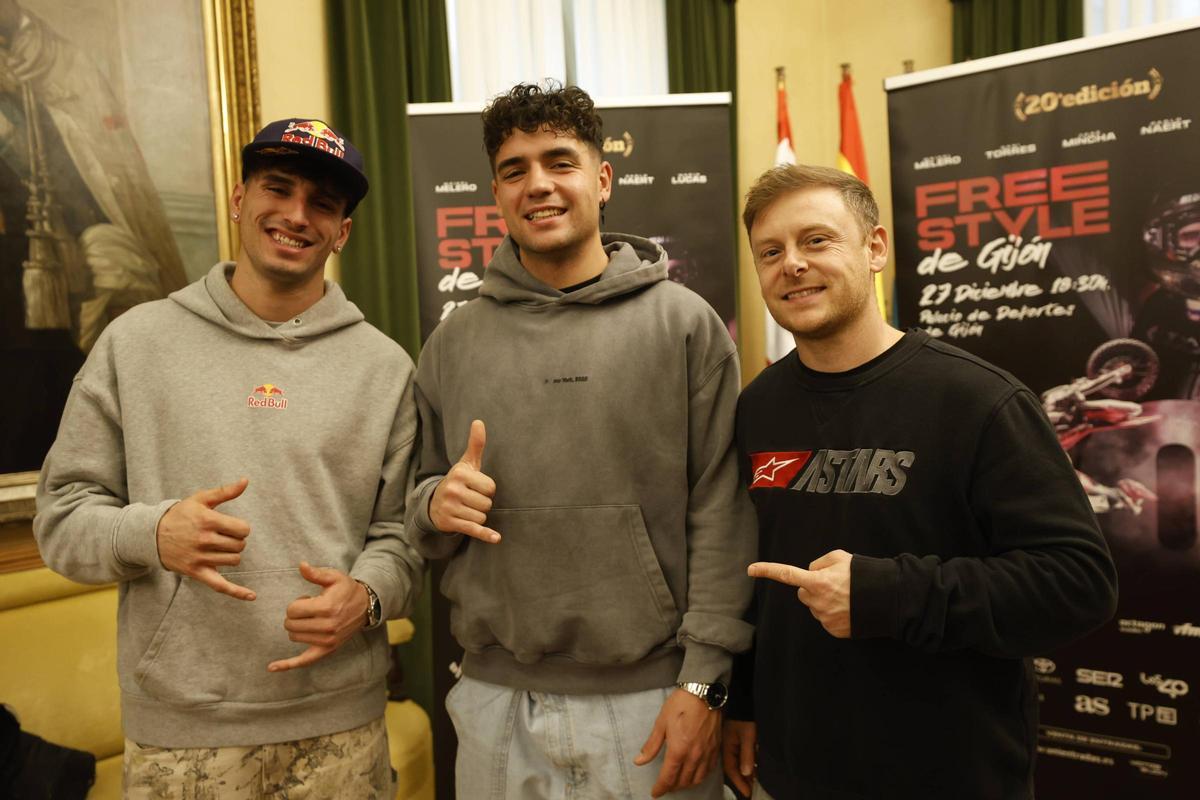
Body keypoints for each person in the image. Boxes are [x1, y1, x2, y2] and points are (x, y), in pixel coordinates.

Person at [34, 118, 423, 798]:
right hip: (181, 737)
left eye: (323, 203)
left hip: (342, 733)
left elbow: (403, 536)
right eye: (279, 188)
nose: (297, 214)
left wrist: (367, 599)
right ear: (239, 199)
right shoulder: (135, 344)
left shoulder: (385, 367)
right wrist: (153, 534)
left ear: (343, 231)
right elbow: (60, 523)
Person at [722, 164, 1118, 800]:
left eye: (817, 240)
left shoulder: (977, 400)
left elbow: (1078, 583)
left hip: (948, 774)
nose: (791, 264)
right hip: (795, 773)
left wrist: (889, 594)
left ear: (875, 248)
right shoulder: (758, 406)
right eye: (771, 251)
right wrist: (742, 699)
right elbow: (752, 573)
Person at [405, 82, 755, 799]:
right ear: (497, 195)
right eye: (514, 169)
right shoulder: (451, 343)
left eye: (558, 161)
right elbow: (414, 504)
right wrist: (436, 505)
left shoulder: (684, 325)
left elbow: (724, 509)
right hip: (495, 702)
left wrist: (704, 681)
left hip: (654, 701)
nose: (537, 184)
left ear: (601, 179)